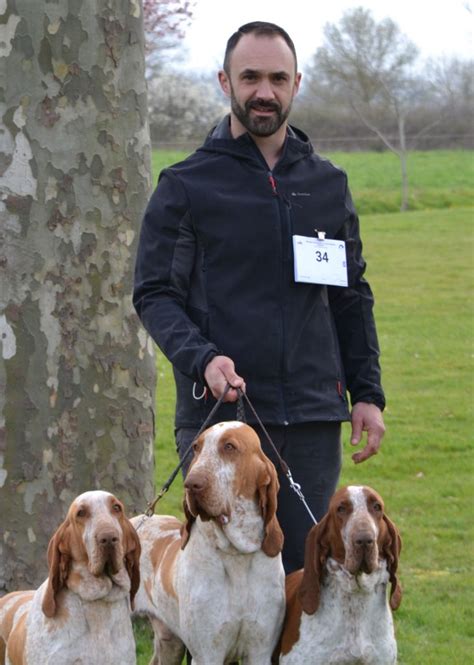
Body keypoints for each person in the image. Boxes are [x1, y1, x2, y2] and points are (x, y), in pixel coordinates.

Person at [133, 21, 386, 574]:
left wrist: (367, 393)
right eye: (250, 77)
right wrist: (203, 358)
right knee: (220, 596)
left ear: (297, 82)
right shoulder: (185, 184)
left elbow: (350, 296)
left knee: (301, 586)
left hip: (314, 421)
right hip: (222, 424)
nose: (264, 91)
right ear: (226, 80)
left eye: (277, 78)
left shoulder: (327, 183)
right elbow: (153, 293)